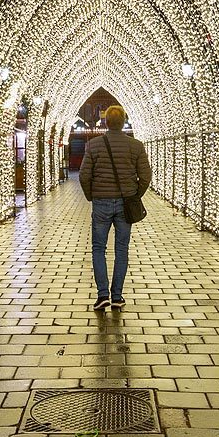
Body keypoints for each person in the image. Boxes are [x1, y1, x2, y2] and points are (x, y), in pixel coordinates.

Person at [79, 105, 152, 311]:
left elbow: (84, 175)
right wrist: (135, 195)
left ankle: (103, 295)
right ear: (123, 122)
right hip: (125, 202)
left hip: (101, 202)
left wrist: (91, 195)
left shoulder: (93, 145)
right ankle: (117, 296)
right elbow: (146, 176)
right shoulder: (136, 146)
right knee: (122, 249)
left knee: (98, 248)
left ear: (105, 123)